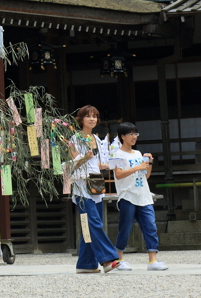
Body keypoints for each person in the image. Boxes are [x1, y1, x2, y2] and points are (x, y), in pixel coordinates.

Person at [67, 105, 123, 274]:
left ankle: (85, 264)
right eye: (88, 116)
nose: (92, 119)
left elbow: (97, 164)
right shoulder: (74, 139)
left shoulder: (97, 140)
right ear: (81, 119)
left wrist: (111, 164)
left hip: (96, 184)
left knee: (89, 226)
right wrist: (85, 157)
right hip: (81, 187)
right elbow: (73, 164)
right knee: (94, 222)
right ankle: (107, 259)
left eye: (95, 116)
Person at [109, 122, 167, 271]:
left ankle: (152, 261)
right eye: (131, 134)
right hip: (127, 196)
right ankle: (119, 259)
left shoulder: (138, 153)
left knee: (150, 227)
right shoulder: (117, 154)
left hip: (143, 195)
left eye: (136, 134)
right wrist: (138, 167)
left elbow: (145, 175)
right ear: (123, 136)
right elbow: (119, 174)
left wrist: (149, 163)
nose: (134, 137)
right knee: (125, 228)